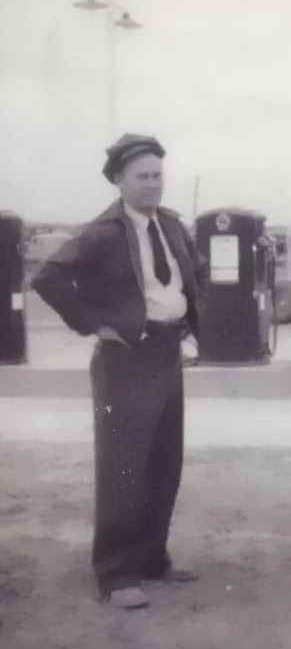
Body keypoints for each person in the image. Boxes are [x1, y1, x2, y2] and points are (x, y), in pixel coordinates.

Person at [32, 133, 207, 610]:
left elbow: (193, 272)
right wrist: (96, 325)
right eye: (142, 177)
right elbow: (47, 278)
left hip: (168, 352)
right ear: (119, 181)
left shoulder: (169, 225)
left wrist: (190, 319)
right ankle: (116, 573)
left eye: (158, 176)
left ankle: (153, 559)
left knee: (163, 461)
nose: (153, 186)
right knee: (124, 465)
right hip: (126, 358)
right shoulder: (103, 231)